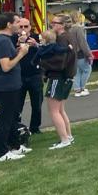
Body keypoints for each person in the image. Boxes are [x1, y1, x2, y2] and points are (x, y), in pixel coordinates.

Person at [0, 12, 31, 162]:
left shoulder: (1, 40)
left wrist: (18, 51)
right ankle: (1, 152)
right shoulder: (3, 41)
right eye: (17, 22)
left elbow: (7, 59)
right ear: (8, 24)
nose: (19, 25)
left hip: (9, 85)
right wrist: (22, 54)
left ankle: (15, 146)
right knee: (5, 120)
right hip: (6, 86)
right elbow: (6, 67)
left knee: (12, 118)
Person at [38, 18, 76, 150]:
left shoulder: (61, 40)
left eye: (54, 23)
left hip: (57, 77)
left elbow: (59, 62)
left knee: (54, 111)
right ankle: (68, 136)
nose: (51, 25)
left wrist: (41, 64)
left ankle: (64, 139)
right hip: (66, 78)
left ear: (62, 25)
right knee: (60, 110)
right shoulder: (68, 37)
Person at [16, 17, 43, 134]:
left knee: (37, 104)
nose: (23, 29)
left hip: (35, 75)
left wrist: (36, 44)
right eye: (20, 26)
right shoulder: (12, 38)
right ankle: (17, 127)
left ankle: (35, 127)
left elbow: (46, 51)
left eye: (25, 26)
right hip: (19, 76)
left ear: (30, 27)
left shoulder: (36, 37)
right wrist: (18, 44)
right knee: (17, 105)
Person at [68, 10, 94, 97]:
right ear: (77, 18)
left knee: (78, 72)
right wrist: (89, 54)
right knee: (87, 70)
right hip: (80, 54)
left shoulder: (69, 29)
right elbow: (83, 43)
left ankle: (77, 90)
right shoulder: (78, 29)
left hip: (72, 54)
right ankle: (82, 88)